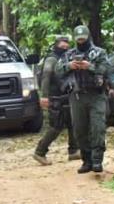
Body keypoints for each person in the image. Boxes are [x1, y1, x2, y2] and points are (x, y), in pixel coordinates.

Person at [56, 25, 110, 173]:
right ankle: (87, 161)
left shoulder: (99, 52)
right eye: (78, 39)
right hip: (77, 96)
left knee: (98, 128)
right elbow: (58, 71)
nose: (81, 41)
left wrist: (90, 67)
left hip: (96, 95)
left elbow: (106, 69)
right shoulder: (68, 55)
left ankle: (97, 160)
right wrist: (69, 66)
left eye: (83, 39)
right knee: (79, 130)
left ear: (88, 37)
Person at [33, 35, 80, 165]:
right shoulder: (52, 59)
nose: (65, 45)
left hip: (65, 95)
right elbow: (46, 76)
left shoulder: (65, 57)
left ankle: (74, 151)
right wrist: (44, 96)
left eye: (66, 43)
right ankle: (40, 152)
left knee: (72, 122)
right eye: (62, 43)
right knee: (56, 126)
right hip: (55, 97)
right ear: (56, 44)